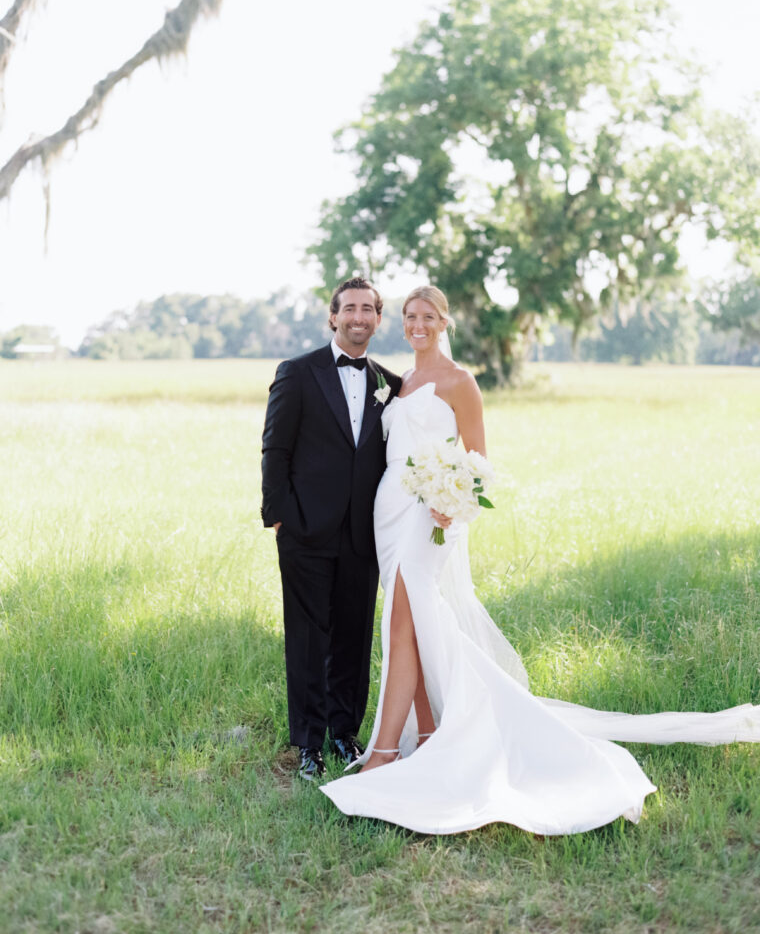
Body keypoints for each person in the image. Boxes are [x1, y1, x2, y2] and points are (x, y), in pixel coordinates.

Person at [321, 285, 760, 835]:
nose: (417, 325)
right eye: (409, 317)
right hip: (389, 511)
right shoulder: (399, 382)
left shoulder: (461, 383)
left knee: (407, 615)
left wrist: (449, 506)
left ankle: (386, 749)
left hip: (429, 515)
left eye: (427, 317)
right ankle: (429, 734)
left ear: (444, 322)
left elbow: (478, 462)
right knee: (408, 623)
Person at [261, 277, 402, 781]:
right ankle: (308, 743)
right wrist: (277, 516)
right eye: (350, 310)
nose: (359, 318)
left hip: (365, 534)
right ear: (333, 316)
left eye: (369, 310)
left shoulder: (392, 384)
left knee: (353, 636)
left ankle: (345, 732)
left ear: (378, 319)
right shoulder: (298, 373)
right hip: (304, 529)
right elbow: (275, 448)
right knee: (307, 639)